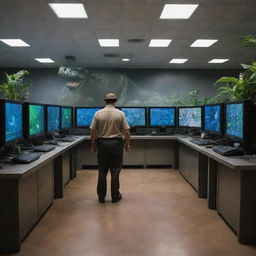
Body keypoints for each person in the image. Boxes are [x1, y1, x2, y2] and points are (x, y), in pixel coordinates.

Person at [90, 93, 131, 203]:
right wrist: (127, 144)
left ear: (105, 101)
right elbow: (126, 131)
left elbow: (93, 131)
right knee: (115, 171)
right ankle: (115, 196)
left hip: (102, 144)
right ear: (115, 101)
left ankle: (101, 197)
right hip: (116, 144)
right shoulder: (120, 114)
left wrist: (93, 145)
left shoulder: (98, 113)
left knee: (102, 171)